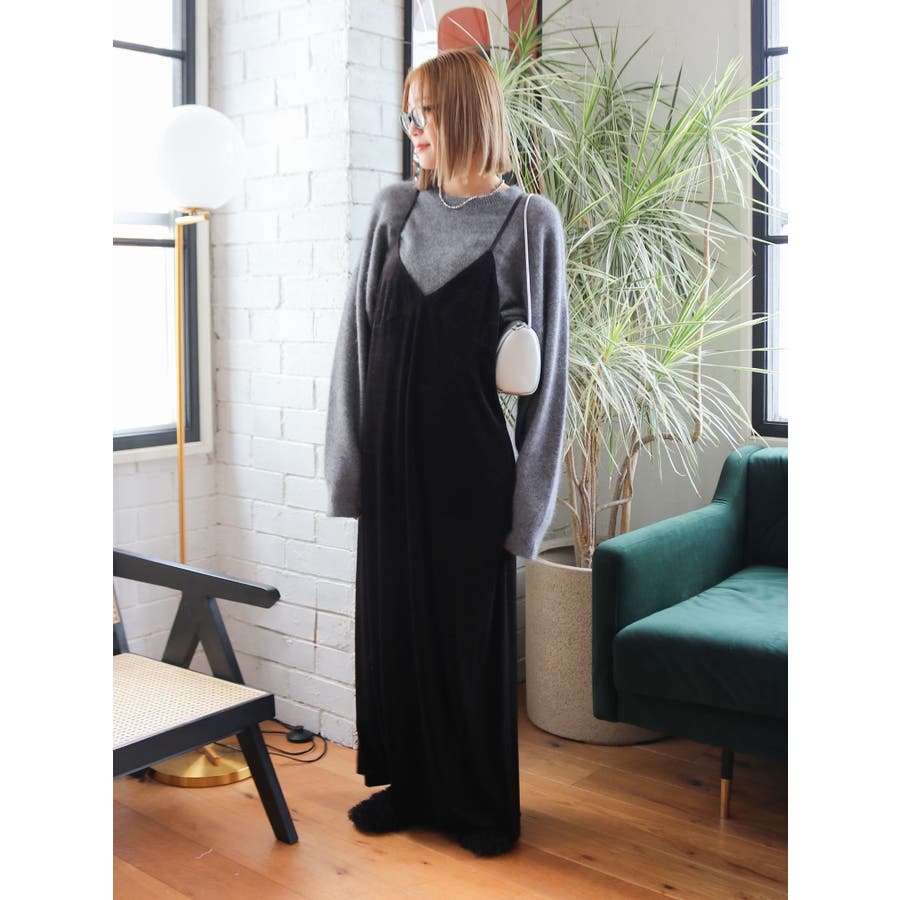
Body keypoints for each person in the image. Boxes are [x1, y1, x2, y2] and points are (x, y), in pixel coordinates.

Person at [324, 48, 568, 858]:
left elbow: (549, 379)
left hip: (471, 474)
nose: (413, 129)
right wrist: (349, 469)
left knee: (467, 641)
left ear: (463, 111)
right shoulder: (394, 209)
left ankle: (479, 803)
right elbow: (356, 345)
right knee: (397, 630)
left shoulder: (528, 222)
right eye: (408, 113)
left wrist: (529, 510)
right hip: (393, 468)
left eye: (423, 112)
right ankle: (411, 787)